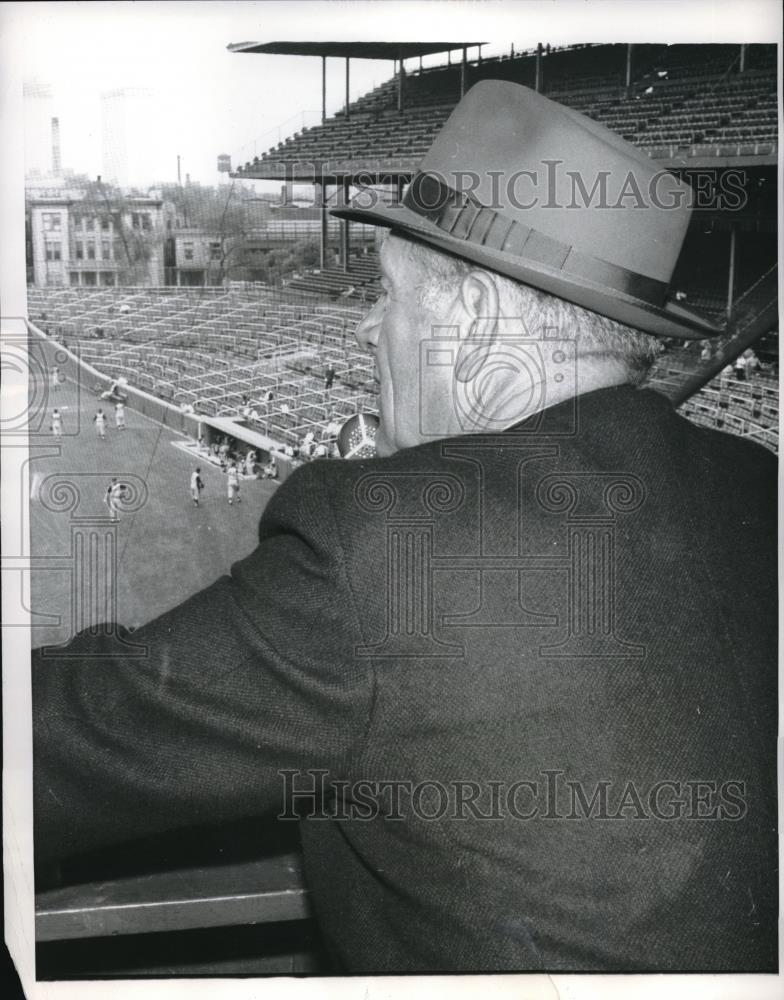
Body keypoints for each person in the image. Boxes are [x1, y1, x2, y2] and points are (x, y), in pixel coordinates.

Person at [32, 81, 775, 973]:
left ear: (474, 324)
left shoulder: (387, 545)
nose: (368, 327)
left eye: (389, 295)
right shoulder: (755, 484)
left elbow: (64, 740)